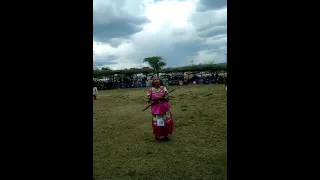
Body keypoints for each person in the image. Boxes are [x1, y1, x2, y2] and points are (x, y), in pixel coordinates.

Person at [146, 77, 174, 142]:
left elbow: (168, 96)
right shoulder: (151, 90)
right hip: (156, 109)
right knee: (157, 123)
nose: (156, 81)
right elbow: (148, 98)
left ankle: (165, 135)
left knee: (166, 122)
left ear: (160, 81)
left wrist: (165, 97)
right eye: (154, 80)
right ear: (153, 82)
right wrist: (151, 101)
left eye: (157, 79)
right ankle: (157, 136)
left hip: (164, 108)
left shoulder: (163, 88)